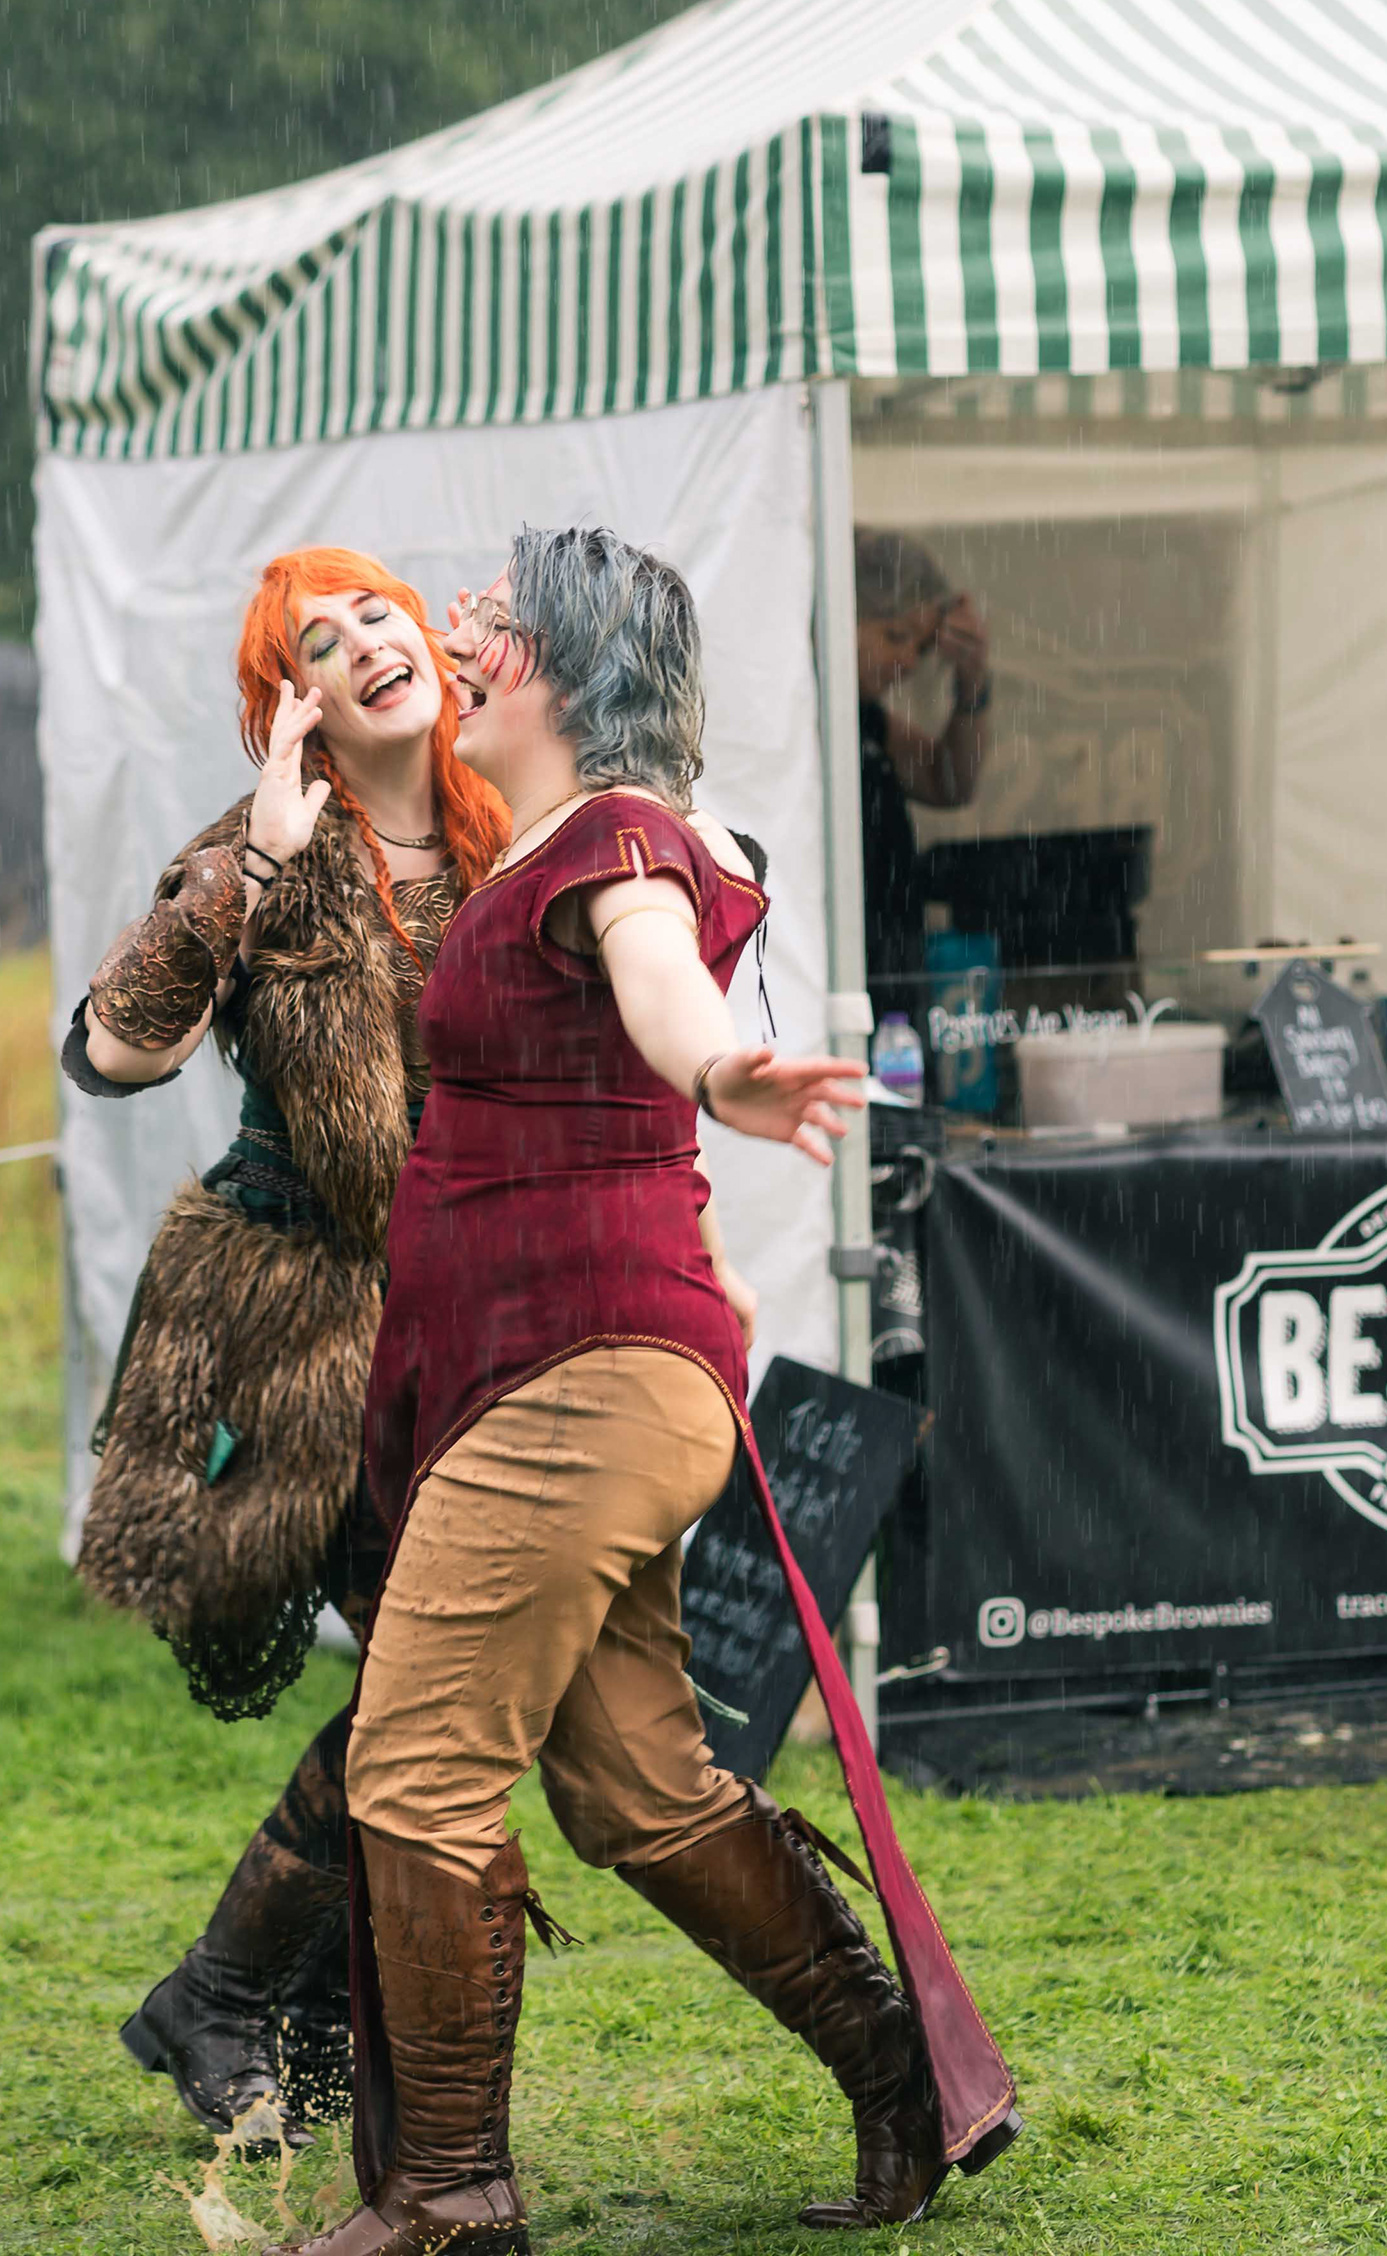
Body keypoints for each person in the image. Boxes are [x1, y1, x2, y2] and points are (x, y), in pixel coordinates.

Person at [303, 525, 983, 2256]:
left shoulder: (621, 841)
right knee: (636, 1788)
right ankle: (902, 2074)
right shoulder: (541, 839)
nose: (463, 644)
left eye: (494, 625)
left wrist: (726, 1069)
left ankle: (451, 2194)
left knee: (416, 1767)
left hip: (581, 1386)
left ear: (559, 666)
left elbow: (662, 978)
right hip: (575, 1374)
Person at [63, 546, 509, 2145]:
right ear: (293, 704)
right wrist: (248, 867)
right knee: (432, 1680)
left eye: (380, 611)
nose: (368, 642)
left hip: (476, 1315)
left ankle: (295, 2018)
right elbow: (110, 1053)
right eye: (322, 641)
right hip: (304, 1328)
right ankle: (241, 1996)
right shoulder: (259, 852)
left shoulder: (507, 827)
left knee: (439, 1686)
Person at [852, 530, 991, 977]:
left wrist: (972, 683)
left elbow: (949, 782)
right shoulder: (804, 724)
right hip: (856, 965)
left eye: (922, 648)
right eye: (896, 635)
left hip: (893, 963)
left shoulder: (866, 720)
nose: (910, 662)